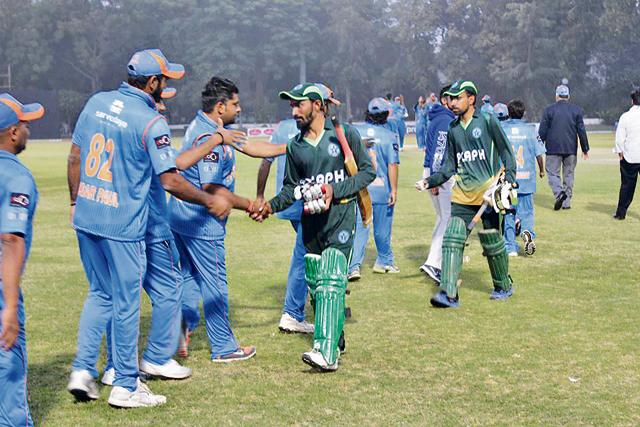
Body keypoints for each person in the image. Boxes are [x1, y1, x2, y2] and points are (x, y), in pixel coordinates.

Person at [67, 49, 233, 408]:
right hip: (124, 224)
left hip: (88, 216)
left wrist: (74, 202)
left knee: (101, 294)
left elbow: (76, 156)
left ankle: (87, 369)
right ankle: (126, 385)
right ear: (154, 82)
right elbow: (172, 181)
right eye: (166, 81)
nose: (167, 90)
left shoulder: (97, 101)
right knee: (127, 303)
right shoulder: (149, 121)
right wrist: (208, 201)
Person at [253, 82, 375, 371]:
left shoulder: (345, 135)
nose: (293, 110)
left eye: (299, 104)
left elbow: (368, 172)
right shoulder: (295, 146)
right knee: (317, 283)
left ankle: (326, 353)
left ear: (318, 105)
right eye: (292, 105)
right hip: (311, 221)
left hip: (341, 218)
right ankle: (336, 337)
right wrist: (269, 206)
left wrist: (337, 189)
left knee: (332, 275)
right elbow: (291, 190)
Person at [170, 76, 264, 363]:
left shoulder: (205, 127)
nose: (240, 108)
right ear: (220, 106)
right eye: (235, 104)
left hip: (179, 218)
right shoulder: (209, 137)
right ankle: (224, 346)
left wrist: (289, 147)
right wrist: (250, 204)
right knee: (215, 282)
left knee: (189, 278)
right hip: (202, 222)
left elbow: (252, 147)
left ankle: (181, 331)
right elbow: (212, 188)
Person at [417, 80, 517, 308]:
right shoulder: (452, 128)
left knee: (492, 242)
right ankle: (449, 294)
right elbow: (449, 166)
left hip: (488, 195)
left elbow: (507, 153)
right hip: (462, 195)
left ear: (471, 99)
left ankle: (503, 285)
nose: (452, 103)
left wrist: (507, 182)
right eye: (450, 98)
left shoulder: (488, 121)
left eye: (457, 98)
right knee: (452, 239)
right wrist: (429, 180)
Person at [255, 83, 339, 334]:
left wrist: (261, 195)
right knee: (307, 255)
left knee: (310, 254)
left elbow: (265, 162)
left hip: (295, 203)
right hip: (306, 203)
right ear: (318, 104)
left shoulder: (282, 128)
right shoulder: (317, 131)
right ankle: (296, 311)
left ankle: (311, 304)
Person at [0, 93, 44, 427]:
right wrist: (11, 306)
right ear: (13, 132)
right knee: (9, 365)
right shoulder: (17, 176)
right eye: (25, 124)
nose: (28, 130)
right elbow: (11, 239)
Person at [348, 97, 400, 279]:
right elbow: (392, 165)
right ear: (386, 115)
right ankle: (384, 261)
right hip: (381, 189)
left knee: (360, 228)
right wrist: (394, 190)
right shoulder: (389, 136)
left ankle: (353, 266)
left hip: (360, 188)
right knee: (382, 229)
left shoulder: (355, 132)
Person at [417, 85, 456, 284]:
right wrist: (435, 179)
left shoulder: (440, 117)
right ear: (444, 100)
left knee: (443, 218)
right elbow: (439, 151)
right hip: (439, 175)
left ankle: (434, 260)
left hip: (435, 174)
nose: (456, 102)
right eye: (453, 98)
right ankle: (434, 263)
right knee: (448, 220)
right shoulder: (445, 120)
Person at [500, 100, 546, 256]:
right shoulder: (531, 130)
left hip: (509, 180)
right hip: (526, 180)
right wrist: (541, 170)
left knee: (509, 212)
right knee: (526, 212)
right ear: (523, 112)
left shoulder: (502, 129)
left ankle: (510, 247)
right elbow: (539, 153)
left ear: (509, 112)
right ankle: (527, 235)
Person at [538, 84, 589, 210]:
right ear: (568, 96)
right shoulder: (576, 110)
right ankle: (566, 203)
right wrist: (585, 148)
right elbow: (581, 130)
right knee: (569, 175)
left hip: (553, 149)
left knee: (552, 174)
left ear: (556, 96)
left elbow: (542, 131)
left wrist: (539, 146)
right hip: (570, 149)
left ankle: (559, 193)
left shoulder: (548, 110)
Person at [613, 88, 640, 220]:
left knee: (627, 187)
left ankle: (621, 213)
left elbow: (620, 137)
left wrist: (620, 151)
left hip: (630, 156)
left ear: (632, 101)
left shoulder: (626, 116)